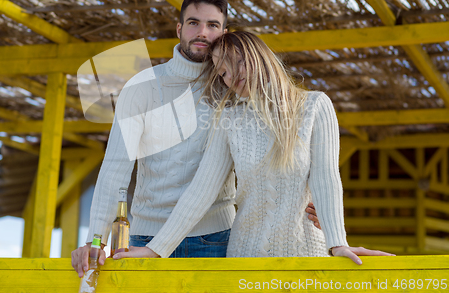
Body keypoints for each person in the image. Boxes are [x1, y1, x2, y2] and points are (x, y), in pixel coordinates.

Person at [71, 0, 322, 277]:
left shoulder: (235, 88)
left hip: (217, 238)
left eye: (213, 25)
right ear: (179, 29)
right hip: (145, 238)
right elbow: (115, 168)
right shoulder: (141, 87)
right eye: (193, 23)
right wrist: (95, 240)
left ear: (224, 32)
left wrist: (305, 199)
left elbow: (275, 148)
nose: (202, 32)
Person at [114, 31, 395, 265]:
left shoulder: (314, 106)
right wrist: (157, 248)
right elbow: (201, 191)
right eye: (223, 72)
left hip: (306, 256)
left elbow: (326, 178)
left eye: (238, 62)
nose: (232, 74)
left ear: (259, 57)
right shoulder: (229, 119)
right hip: (245, 258)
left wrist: (338, 243)